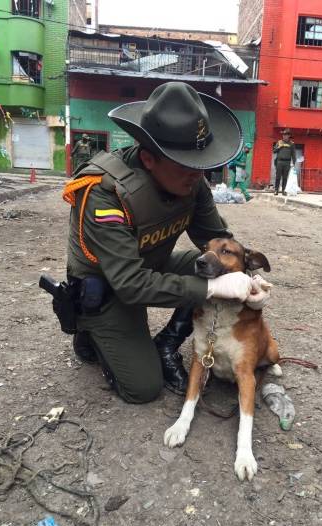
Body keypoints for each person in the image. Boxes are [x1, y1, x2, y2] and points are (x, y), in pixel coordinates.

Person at [61, 82, 270, 403]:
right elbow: (129, 284)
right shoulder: (106, 192)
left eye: (202, 164)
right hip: (107, 287)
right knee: (142, 388)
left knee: (218, 269)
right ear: (148, 158)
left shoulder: (190, 182)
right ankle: (91, 333)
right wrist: (211, 290)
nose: (197, 175)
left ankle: (167, 344)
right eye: (186, 164)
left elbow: (218, 241)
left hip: (150, 267)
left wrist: (245, 277)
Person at [273, 128, 295, 196]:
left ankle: (283, 190)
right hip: (279, 162)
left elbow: (293, 154)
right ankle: (276, 190)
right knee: (278, 177)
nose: (284, 136)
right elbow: (274, 151)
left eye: (286, 135)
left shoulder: (292, 143)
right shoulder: (279, 142)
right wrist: (279, 147)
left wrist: (293, 163)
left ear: (289, 136)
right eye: (283, 135)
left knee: (285, 177)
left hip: (287, 163)